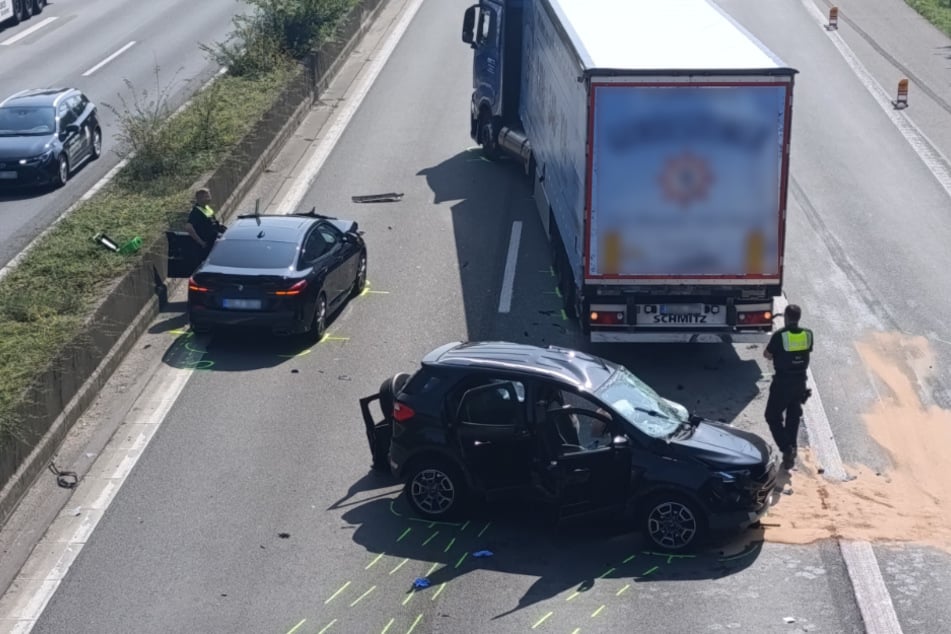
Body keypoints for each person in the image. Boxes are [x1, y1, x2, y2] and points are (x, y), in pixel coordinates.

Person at [763, 304, 814, 470]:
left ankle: (786, 448)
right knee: (793, 418)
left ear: (785, 317)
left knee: (772, 415)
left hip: (782, 383)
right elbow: (806, 351)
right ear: (798, 318)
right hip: (800, 382)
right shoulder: (808, 334)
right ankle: (790, 456)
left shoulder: (780, 336)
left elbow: (767, 355)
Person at [185, 188, 225, 260]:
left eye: (209, 196)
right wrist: (201, 242)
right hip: (206, 244)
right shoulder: (196, 211)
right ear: (200, 198)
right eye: (206, 197)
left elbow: (213, 222)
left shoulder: (207, 208)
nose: (209, 198)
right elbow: (188, 227)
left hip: (215, 240)